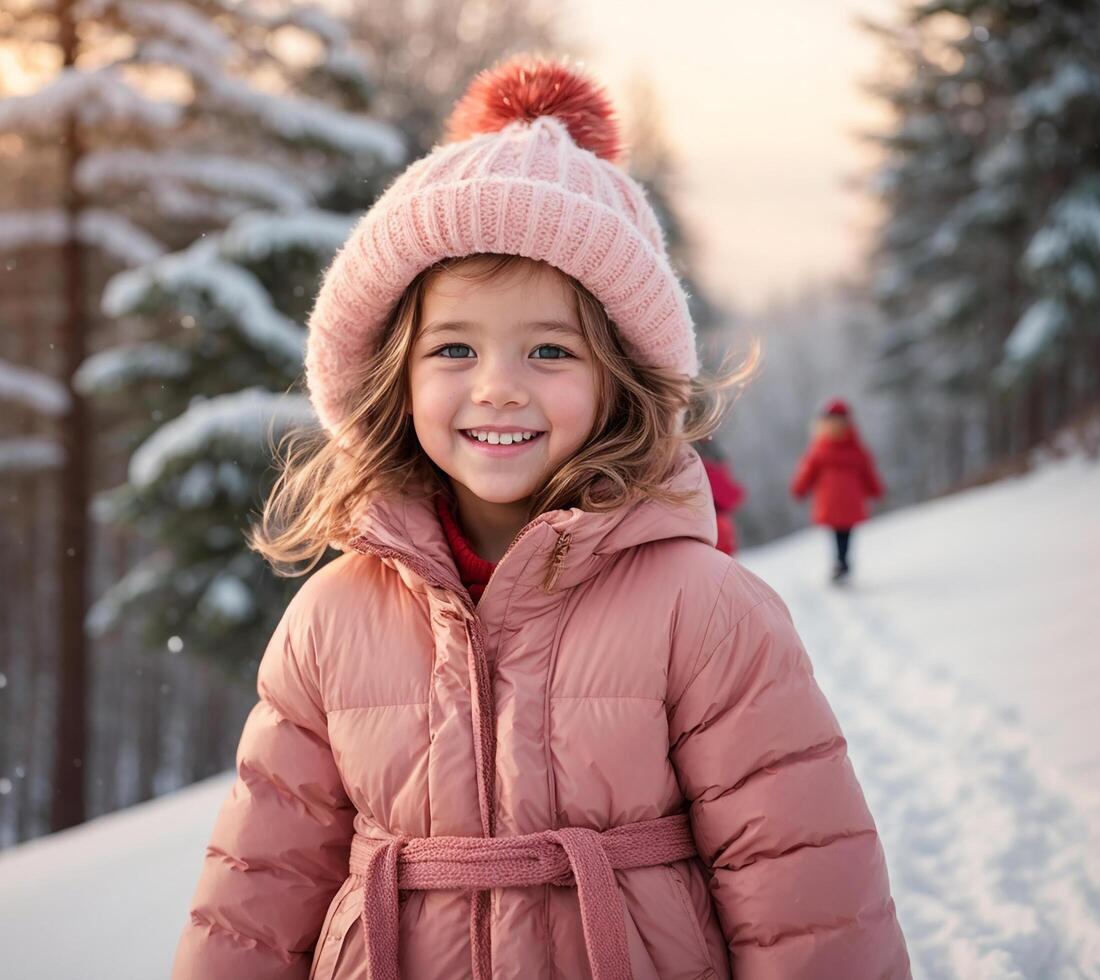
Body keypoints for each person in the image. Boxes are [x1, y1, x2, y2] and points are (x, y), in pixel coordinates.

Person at [171, 57, 910, 980]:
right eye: (453, 347)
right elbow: (258, 892)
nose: (498, 387)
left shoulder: (705, 610)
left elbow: (806, 896)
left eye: (550, 348)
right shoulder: (331, 619)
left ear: (620, 381)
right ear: (392, 377)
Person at [790, 398, 886, 582]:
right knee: (846, 533)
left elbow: (808, 472)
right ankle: (842, 562)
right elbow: (868, 473)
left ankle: (840, 563)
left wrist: (800, 489)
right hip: (850, 500)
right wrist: (876, 491)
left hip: (830, 500)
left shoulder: (820, 447)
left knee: (837, 533)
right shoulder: (856, 447)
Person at [695, 439, 748, 554]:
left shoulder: (706, 457)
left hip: (710, 527)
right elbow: (730, 496)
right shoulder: (705, 461)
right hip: (713, 527)